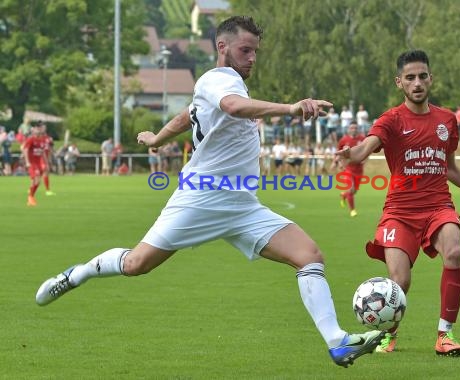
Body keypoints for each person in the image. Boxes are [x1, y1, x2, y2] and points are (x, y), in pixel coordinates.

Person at [35, 16, 381, 367]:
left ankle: (337, 342)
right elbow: (232, 107)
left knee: (309, 256)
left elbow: (189, 115)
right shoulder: (219, 79)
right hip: (200, 198)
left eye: (255, 52)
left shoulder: (224, 86)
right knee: (137, 264)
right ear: (222, 47)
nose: (252, 58)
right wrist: (290, 108)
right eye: (245, 50)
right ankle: (76, 274)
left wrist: (157, 138)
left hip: (242, 204)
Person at [336, 50, 460, 357]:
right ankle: (388, 334)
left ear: (431, 79)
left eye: (422, 76)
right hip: (400, 212)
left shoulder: (446, 120)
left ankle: (445, 335)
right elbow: (365, 149)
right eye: (410, 78)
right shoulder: (391, 120)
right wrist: (352, 154)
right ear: (399, 82)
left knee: (453, 252)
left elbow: (449, 167)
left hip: (439, 205)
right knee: (400, 280)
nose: (417, 83)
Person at [337, 121, 365, 217]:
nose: (354, 129)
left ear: (358, 129)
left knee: (354, 191)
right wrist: (339, 163)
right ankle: (352, 210)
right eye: (352, 128)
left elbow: (368, 151)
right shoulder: (343, 140)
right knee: (351, 188)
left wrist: (365, 159)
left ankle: (344, 195)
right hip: (348, 168)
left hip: (359, 169)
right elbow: (338, 153)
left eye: (355, 128)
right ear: (349, 129)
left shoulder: (362, 139)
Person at [22, 125, 50, 206]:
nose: (38, 130)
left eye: (39, 128)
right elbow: (25, 149)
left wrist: (46, 163)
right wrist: (27, 161)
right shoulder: (31, 139)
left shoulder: (41, 140)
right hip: (32, 163)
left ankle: (30, 198)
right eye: (36, 129)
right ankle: (30, 197)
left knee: (36, 182)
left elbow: (43, 152)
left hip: (38, 163)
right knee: (37, 180)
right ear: (33, 131)